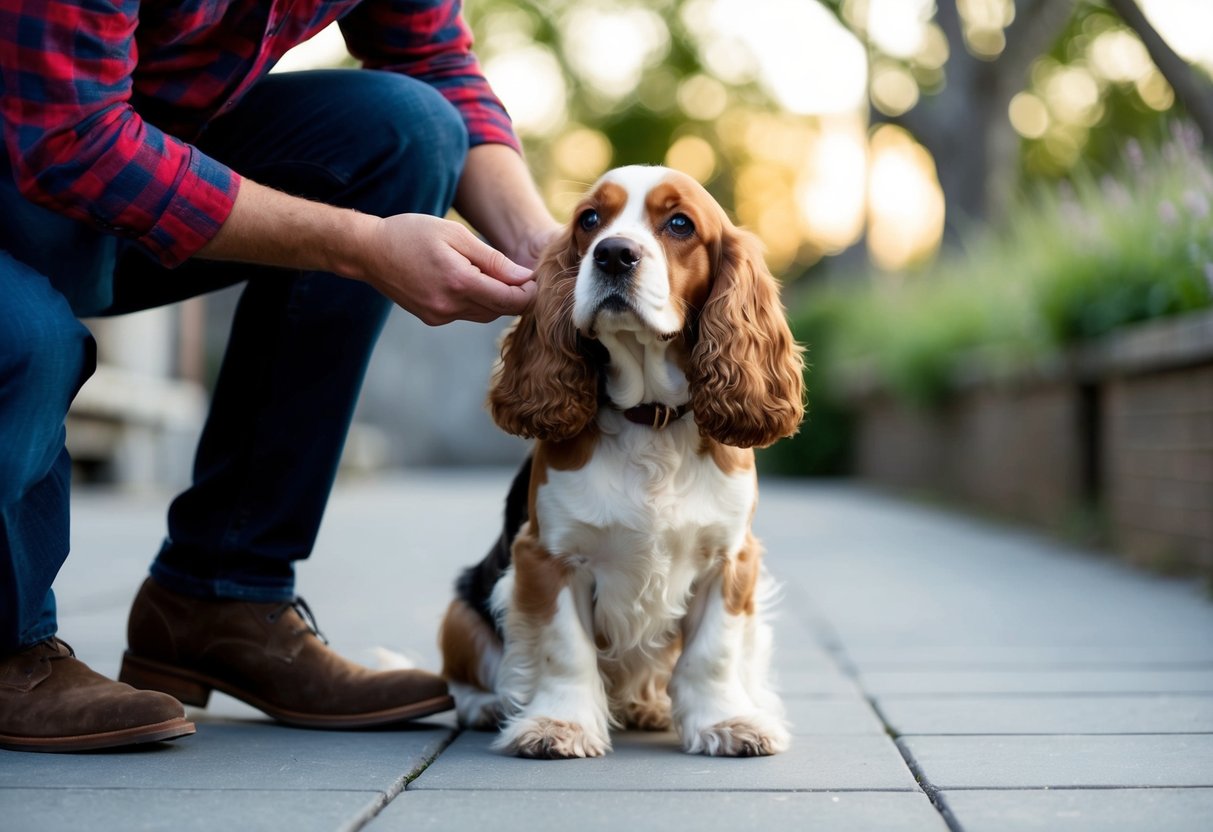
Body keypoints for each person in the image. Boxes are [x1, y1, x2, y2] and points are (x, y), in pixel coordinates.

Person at [0, 0, 559, 752]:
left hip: (97, 170)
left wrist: (548, 255)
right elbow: (72, 140)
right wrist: (358, 245)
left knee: (405, 130)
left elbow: (433, 60)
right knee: (25, 337)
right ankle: (9, 645)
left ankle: (220, 599)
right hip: (52, 142)